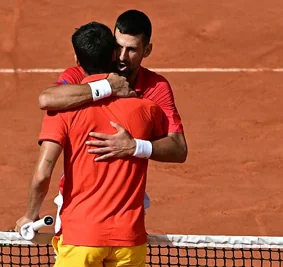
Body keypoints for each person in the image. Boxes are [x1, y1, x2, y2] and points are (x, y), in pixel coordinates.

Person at [16, 21, 168, 267]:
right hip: (129, 241)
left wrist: (29, 216)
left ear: (77, 58)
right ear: (113, 55)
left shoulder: (62, 111)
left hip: (81, 238)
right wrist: (137, 146)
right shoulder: (148, 110)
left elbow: (43, 174)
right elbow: (175, 147)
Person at [39, 9, 188, 233]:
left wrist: (135, 146)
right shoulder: (85, 73)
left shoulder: (156, 88)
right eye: (118, 47)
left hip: (125, 210)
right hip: (76, 205)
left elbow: (178, 149)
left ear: (147, 50)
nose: (121, 57)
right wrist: (107, 87)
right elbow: (48, 98)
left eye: (132, 50)